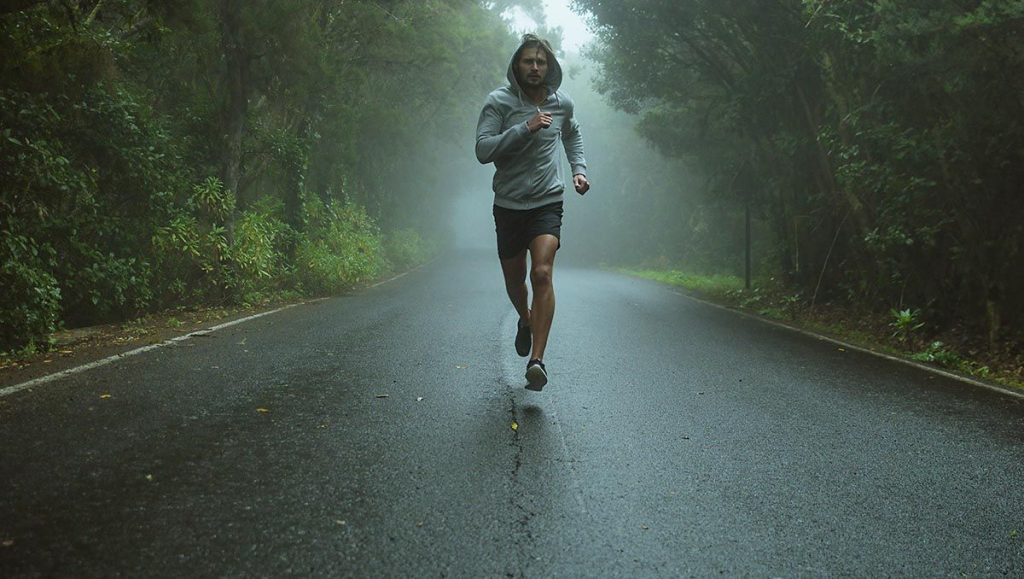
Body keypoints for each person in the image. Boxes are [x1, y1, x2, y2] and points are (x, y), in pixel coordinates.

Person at [475, 34, 590, 391]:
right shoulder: (499, 102)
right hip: (508, 205)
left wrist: (578, 169)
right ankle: (525, 320)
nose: (535, 68)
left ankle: (536, 361)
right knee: (515, 282)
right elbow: (483, 150)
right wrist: (525, 128)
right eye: (528, 61)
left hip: (547, 200)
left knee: (541, 272)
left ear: (549, 65)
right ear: (517, 65)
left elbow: (572, 134)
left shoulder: (561, 103)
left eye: (541, 62)